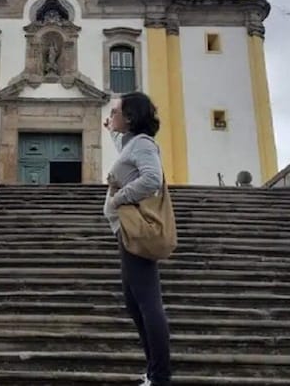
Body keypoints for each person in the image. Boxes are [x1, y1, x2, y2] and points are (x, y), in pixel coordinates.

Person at [103, 92, 171, 386]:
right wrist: (109, 131)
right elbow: (124, 151)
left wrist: (119, 198)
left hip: (136, 230)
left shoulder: (142, 144)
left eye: (115, 111)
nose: (112, 113)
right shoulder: (131, 143)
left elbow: (152, 178)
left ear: (129, 117)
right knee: (134, 302)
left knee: (147, 303)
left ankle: (159, 376)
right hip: (126, 232)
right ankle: (154, 370)